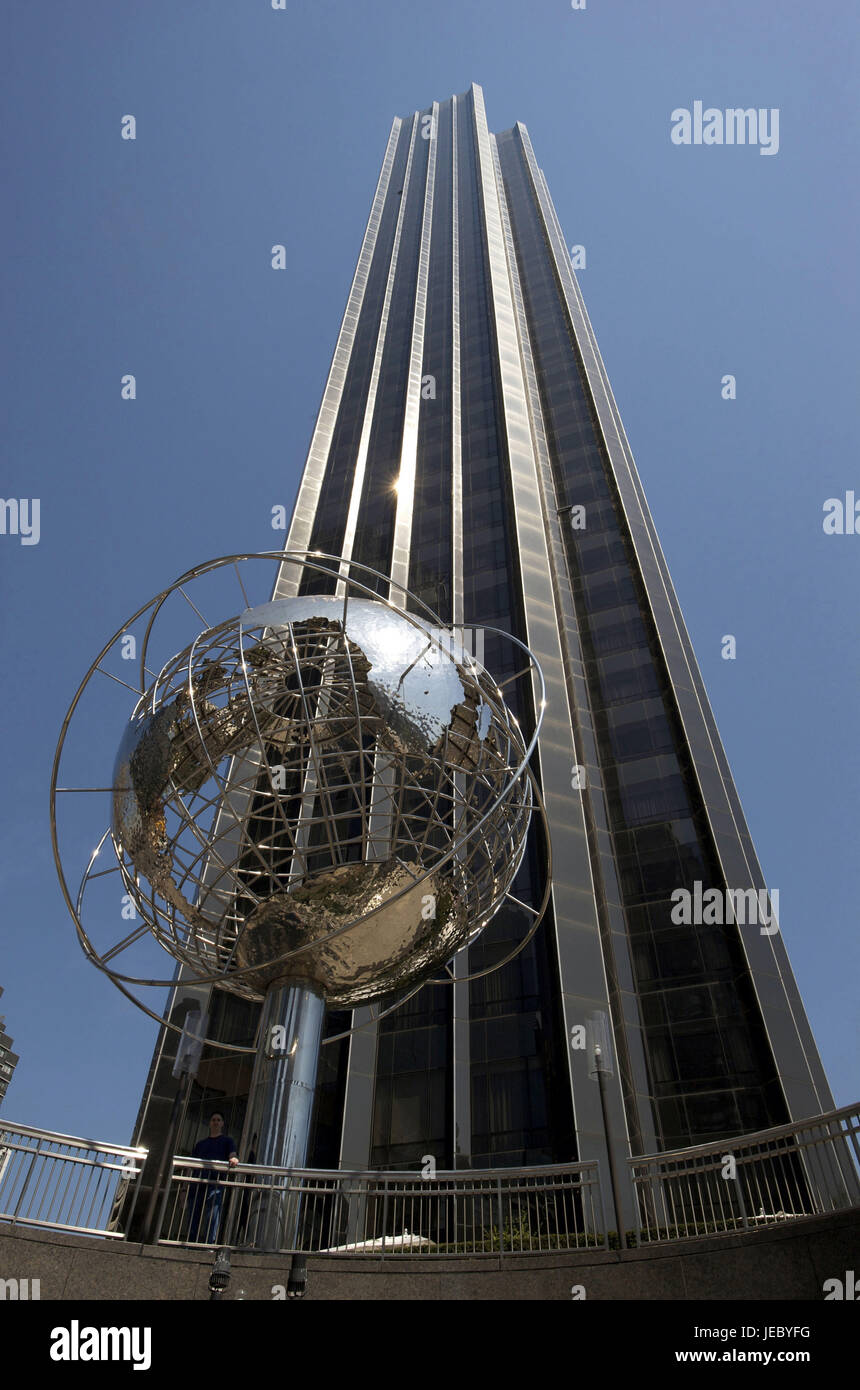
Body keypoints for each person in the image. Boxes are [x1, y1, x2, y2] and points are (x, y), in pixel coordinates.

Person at [187, 1112, 238, 1243]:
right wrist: (183, 1189)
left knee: (212, 1214)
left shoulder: (227, 1141)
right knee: (193, 1215)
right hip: (197, 1181)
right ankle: (190, 1243)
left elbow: (232, 1153)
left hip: (215, 1181)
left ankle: (209, 1243)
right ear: (210, 1123)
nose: (216, 1122)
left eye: (218, 1120)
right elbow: (191, 1165)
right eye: (213, 1119)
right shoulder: (200, 1144)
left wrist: (233, 1158)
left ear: (222, 1124)